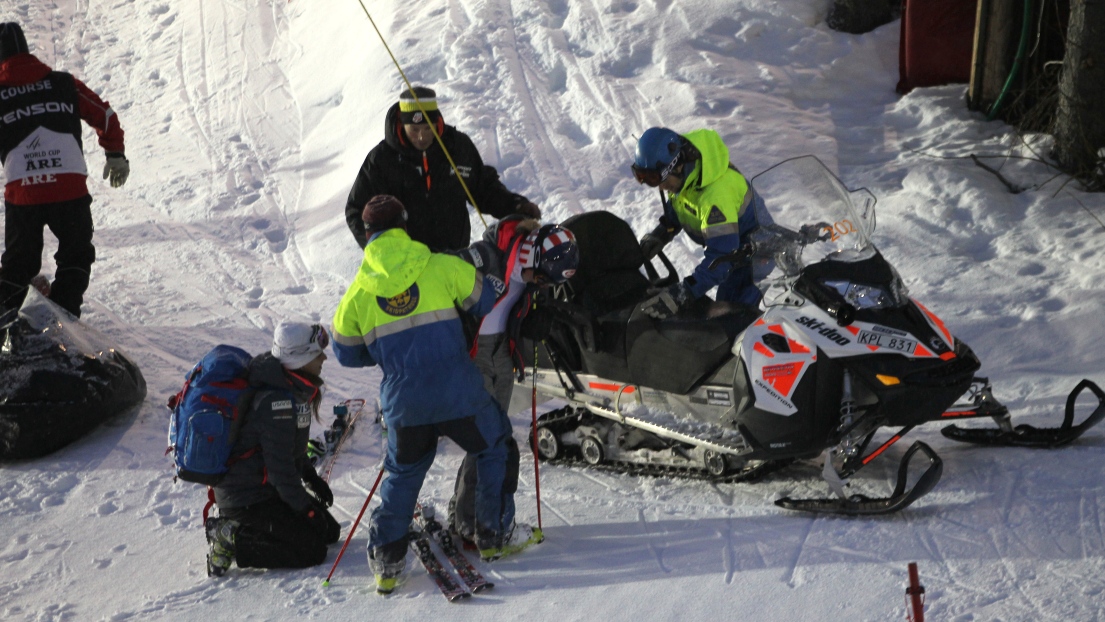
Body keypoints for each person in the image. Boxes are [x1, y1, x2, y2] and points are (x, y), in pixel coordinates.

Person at [330, 195, 526, 593]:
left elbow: (346, 353)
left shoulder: (358, 293)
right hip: (459, 393)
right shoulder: (439, 265)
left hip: (405, 402)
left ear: (367, 236)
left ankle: (387, 559)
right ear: (405, 226)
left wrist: (388, 350)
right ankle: (491, 534)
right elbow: (484, 300)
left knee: (402, 475)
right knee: (494, 445)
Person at [447, 215, 579, 544]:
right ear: (532, 256)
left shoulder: (536, 270)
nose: (544, 285)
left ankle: (466, 513)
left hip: (501, 352)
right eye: (543, 279)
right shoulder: (490, 256)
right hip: (472, 353)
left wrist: (537, 316)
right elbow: (442, 277)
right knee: (487, 440)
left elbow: (525, 299)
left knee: (495, 437)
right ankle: (473, 523)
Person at [0, 22, 130, 318]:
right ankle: (64, 316)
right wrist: (115, 153)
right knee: (76, 253)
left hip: (24, 194)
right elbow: (106, 117)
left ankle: (6, 326)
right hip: (69, 189)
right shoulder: (63, 83)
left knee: (19, 266)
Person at [205, 321, 341, 578]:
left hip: (266, 488)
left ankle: (244, 529)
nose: (323, 357)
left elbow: (294, 451)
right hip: (246, 498)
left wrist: (311, 478)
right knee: (312, 550)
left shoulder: (294, 388)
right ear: (299, 359)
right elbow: (280, 472)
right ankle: (229, 535)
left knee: (329, 532)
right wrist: (306, 509)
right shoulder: (275, 403)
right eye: (316, 352)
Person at [343, 86, 540, 253]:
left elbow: (483, 188)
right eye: (414, 130)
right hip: (407, 266)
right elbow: (357, 210)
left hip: (454, 257)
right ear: (402, 126)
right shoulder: (382, 160)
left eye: (428, 128)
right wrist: (381, 251)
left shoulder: (457, 147)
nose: (422, 137)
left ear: (437, 122)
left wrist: (515, 206)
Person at [630, 126, 772, 318]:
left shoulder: (715, 196)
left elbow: (721, 259)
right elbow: (681, 205)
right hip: (730, 248)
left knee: (731, 322)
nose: (660, 187)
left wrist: (683, 293)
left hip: (752, 255)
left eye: (657, 178)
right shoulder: (686, 175)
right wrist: (661, 233)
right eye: (644, 178)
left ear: (677, 165)